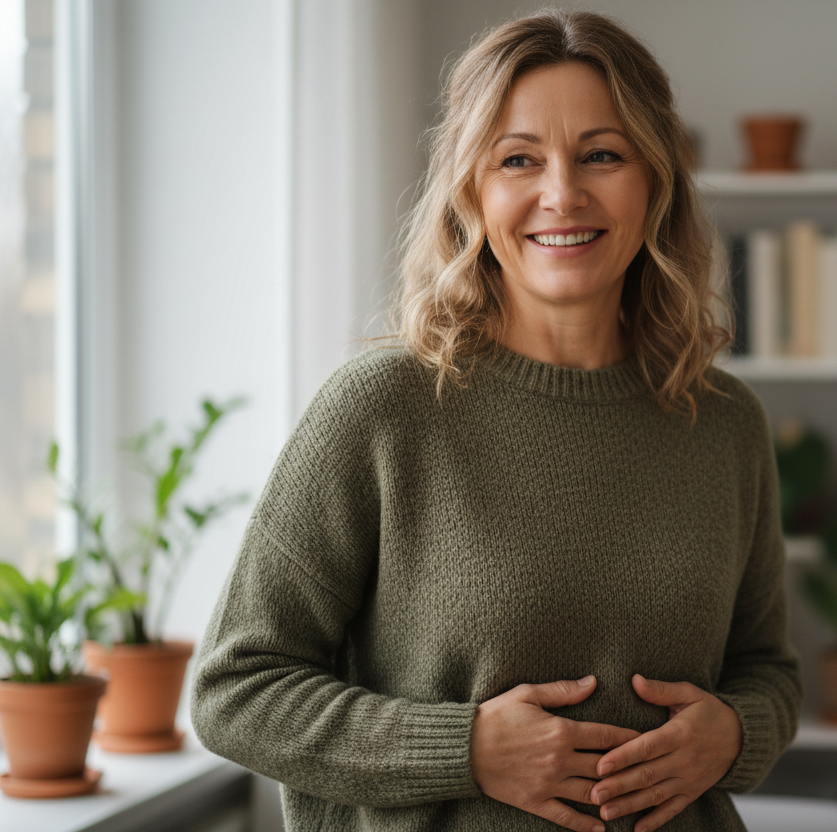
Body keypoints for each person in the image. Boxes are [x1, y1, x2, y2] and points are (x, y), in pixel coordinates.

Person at [190, 9, 801, 832]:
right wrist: (466, 748)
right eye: (519, 159)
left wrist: (734, 732)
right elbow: (237, 689)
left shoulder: (725, 425)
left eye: (602, 155)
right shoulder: (381, 409)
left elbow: (767, 670)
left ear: (655, 182)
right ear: (473, 187)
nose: (562, 193)